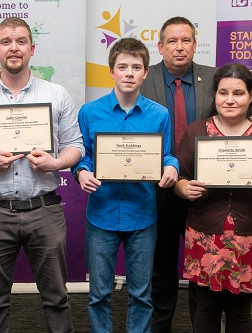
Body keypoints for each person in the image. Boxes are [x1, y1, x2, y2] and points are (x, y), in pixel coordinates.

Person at [0, 17, 84, 333]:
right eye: (6, 42)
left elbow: (75, 147)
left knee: (57, 297)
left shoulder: (56, 94)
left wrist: (55, 163)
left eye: (21, 41)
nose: (14, 48)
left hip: (44, 210)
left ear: (32, 49)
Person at [174, 63, 252, 332]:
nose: (229, 100)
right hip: (205, 235)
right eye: (223, 92)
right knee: (205, 309)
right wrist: (186, 189)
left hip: (249, 236)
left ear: (251, 96)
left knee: (240, 313)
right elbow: (179, 178)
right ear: (214, 95)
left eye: (238, 93)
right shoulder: (197, 131)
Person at [72, 37, 179, 332]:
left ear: (145, 73)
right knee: (98, 295)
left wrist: (172, 166)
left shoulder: (159, 114)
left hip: (143, 215)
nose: (129, 73)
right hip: (101, 215)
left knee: (142, 295)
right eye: (122, 67)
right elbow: (83, 157)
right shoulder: (89, 112)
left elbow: (166, 155)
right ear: (112, 71)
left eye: (136, 67)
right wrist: (81, 172)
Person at [140, 16, 218, 332]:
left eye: (186, 40)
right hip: (158, 187)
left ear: (195, 45)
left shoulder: (214, 80)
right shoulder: (143, 80)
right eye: (172, 41)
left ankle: (202, 322)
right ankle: (161, 324)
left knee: (203, 263)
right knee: (162, 263)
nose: (179, 47)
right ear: (160, 46)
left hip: (203, 188)